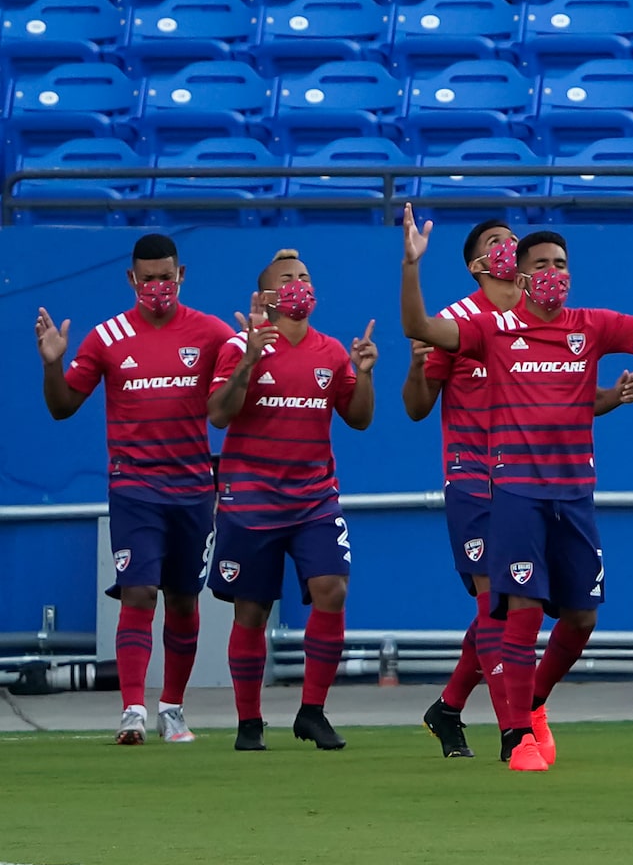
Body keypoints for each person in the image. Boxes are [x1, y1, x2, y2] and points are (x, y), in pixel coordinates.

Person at [399, 205, 633, 768]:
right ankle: (515, 735)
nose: (553, 271)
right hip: (502, 488)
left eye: (561, 263)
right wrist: (410, 266)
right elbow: (421, 334)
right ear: (517, 273)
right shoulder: (489, 327)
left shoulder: (589, 326)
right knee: (508, 610)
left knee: (581, 618)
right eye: (540, 262)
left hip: (574, 492)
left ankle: (505, 704)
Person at [410, 219, 633, 758]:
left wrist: (611, 395)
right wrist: (414, 364)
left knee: (514, 607)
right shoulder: (460, 321)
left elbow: (564, 403)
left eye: (512, 241)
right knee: (503, 602)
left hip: (538, 477)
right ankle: (514, 732)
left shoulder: (543, 319)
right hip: (475, 474)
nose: (509, 248)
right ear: (477, 265)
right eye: (496, 243)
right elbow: (419, 405)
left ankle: (451, 707)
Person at [33, 233, 234, 746]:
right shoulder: (106, 337)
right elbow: (62, 407)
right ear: (132, 280)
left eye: (166, 277)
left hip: (192, 489)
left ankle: (172, 708)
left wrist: (252, 353)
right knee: (139, 592)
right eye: (148, 279)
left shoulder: (211, 333)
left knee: (184, 601)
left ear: (181, 275)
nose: (158, 287)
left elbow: (232, 401)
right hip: (134, 486)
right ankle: (131, 710)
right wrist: (53, 362)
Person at [204, 250, 378, 753]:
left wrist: (363, 373)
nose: (300, 284)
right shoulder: (240, 345)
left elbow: (359, 418)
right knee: (252, 611)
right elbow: (218, 415)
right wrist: (249, 363)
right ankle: (249, 722)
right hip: (251, 499)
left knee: (333, 590)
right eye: (288, 279)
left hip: (314, 500)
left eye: (305, 276)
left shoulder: (330, 352)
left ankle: (312, 712)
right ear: (267, 297)